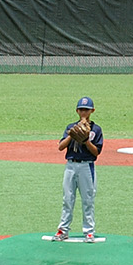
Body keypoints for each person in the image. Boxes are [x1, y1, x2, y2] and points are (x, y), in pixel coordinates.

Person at [54, 96, 102, 242]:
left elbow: (96, 152)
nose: (83, 112)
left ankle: (89, 232)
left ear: (92, 111)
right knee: (67, 198)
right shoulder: (70, 127)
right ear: (77, 110)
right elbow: (61, 147)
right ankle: (63, 230)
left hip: (86, 166)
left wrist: (86, 140)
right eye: (81, 109)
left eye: (86, 110)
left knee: (88, 200)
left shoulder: (96, 129)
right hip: (70, 165)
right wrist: (72, 134)